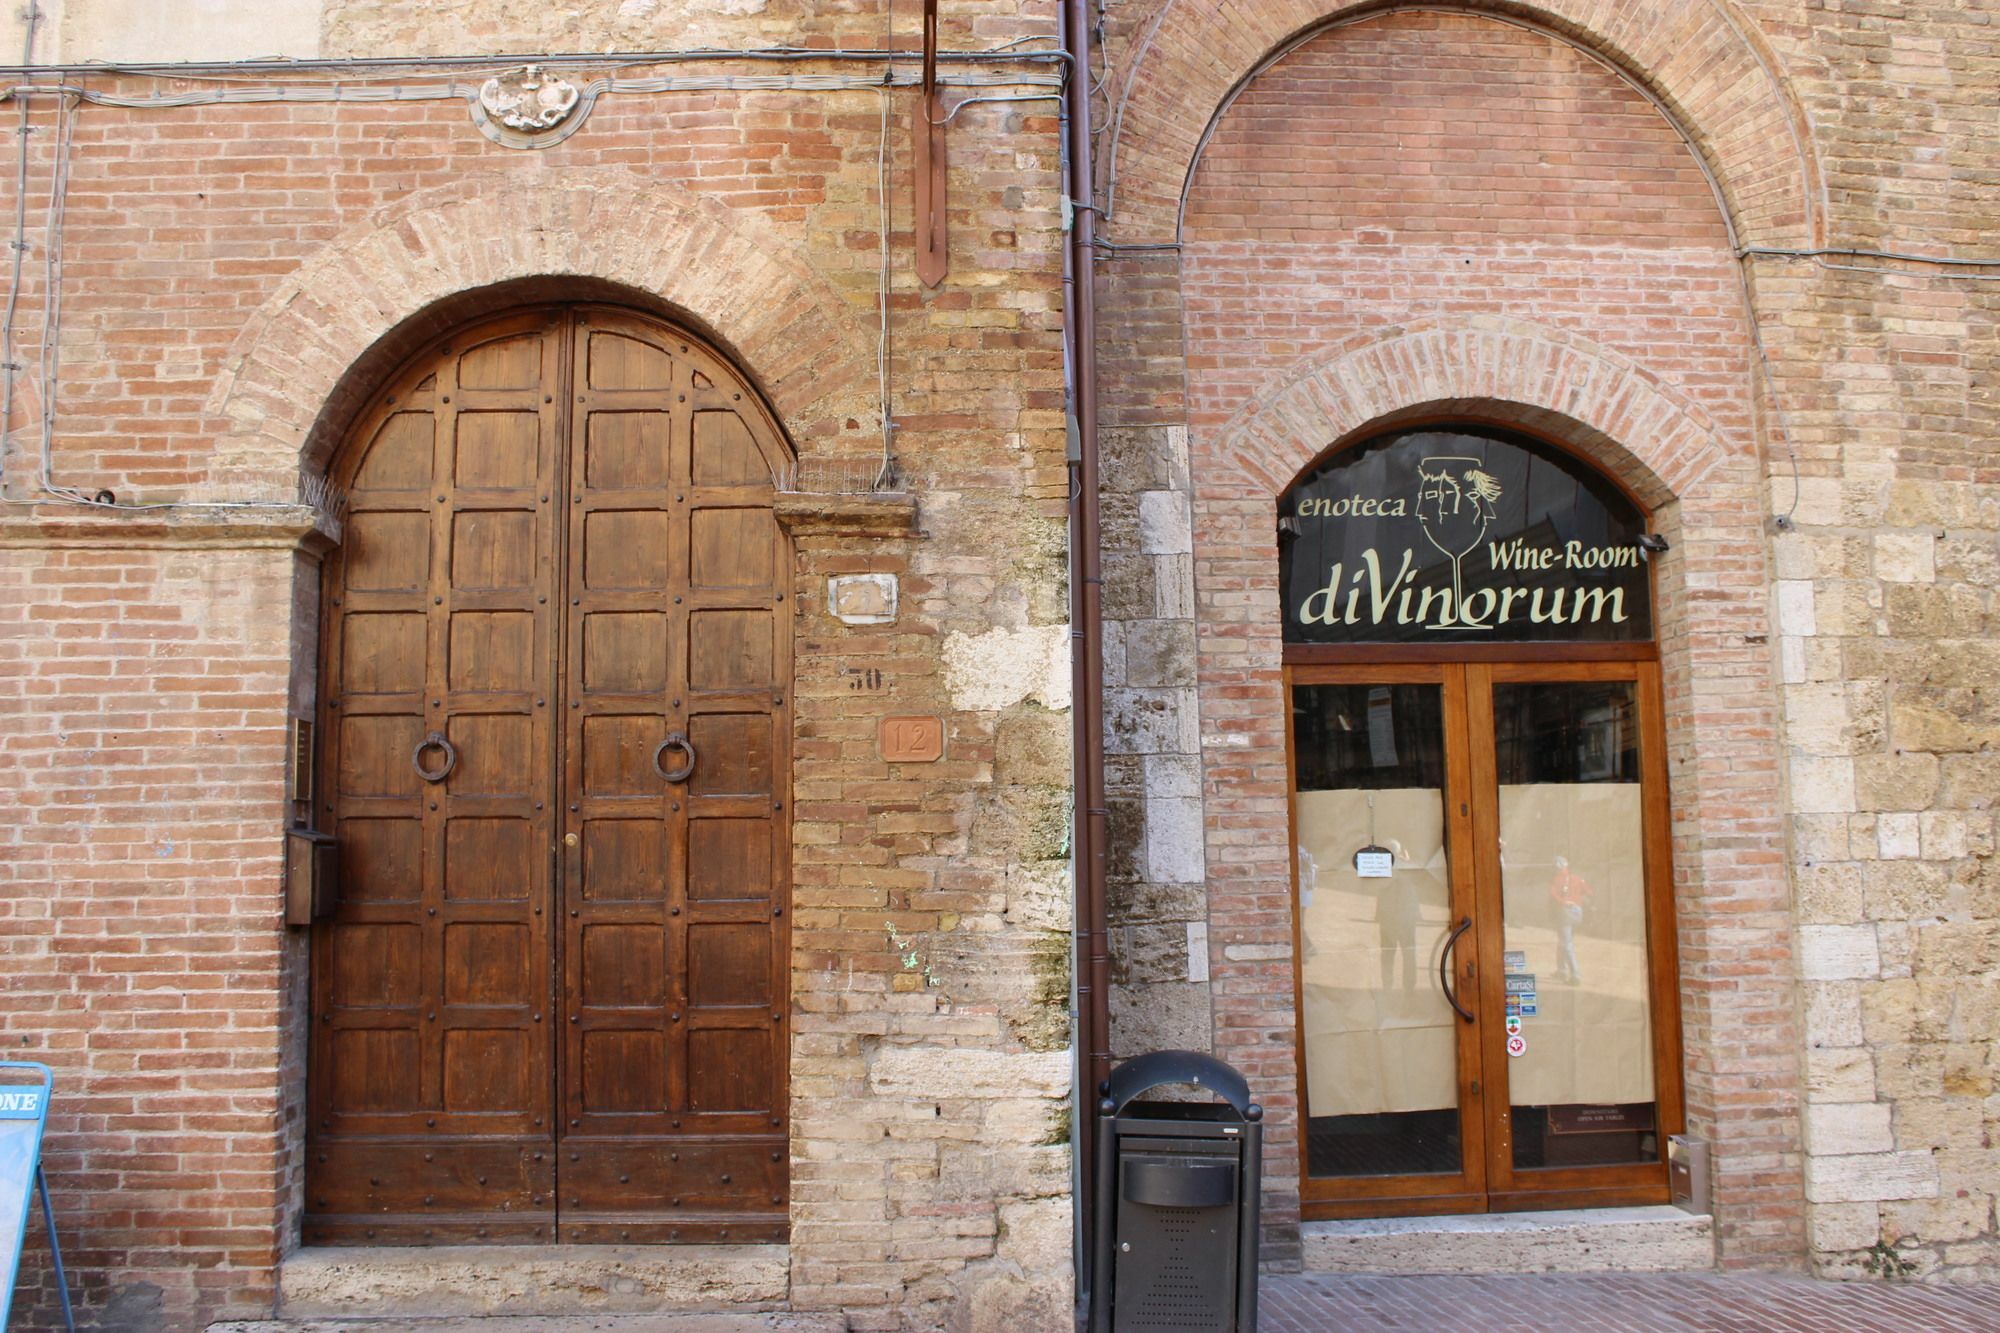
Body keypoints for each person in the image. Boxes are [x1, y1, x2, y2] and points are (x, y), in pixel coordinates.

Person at [1549, 854, 1592, 984]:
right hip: (1578, 913)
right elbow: (1589, 892)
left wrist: (1564, 901)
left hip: (1565, 913)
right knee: (1563, 941)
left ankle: (1575, 975)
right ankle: (1561, 970)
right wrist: (1577, 897)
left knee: (1566, 944)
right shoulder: (1576, 878)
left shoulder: (1556, 879)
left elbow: (1553, 895)